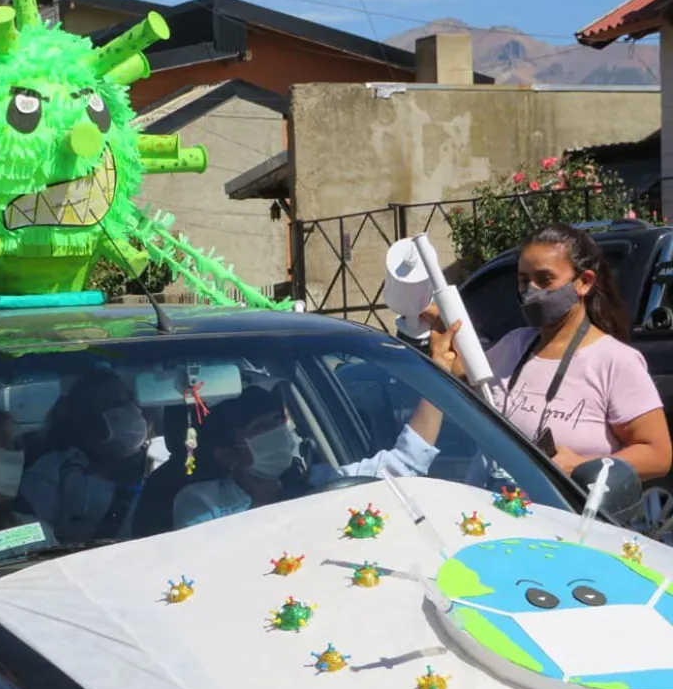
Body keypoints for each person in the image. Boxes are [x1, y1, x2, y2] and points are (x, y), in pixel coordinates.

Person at [434, 223, 671, 481]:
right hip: (490, 514)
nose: (531, 291)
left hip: (563, 517)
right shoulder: (514, 345)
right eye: (524, 280)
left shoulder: (615, 362)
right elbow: (465, 373)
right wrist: (439, 328)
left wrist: (583, 466)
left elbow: (657, 454)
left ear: (584, 282)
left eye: (545, 279)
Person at [172, 320, 461, 529]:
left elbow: (406, 461)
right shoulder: (203, 503)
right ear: (227, 454)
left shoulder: (324, 484)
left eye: (279, 421)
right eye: (261, 428)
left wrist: (439, 371)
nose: (278, 434)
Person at [16, 368, 150, 543]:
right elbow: (32, 538)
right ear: (89, 419)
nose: (129, 410)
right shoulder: (54, 471)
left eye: (129, 401)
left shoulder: (157, 465)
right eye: (115, 403)